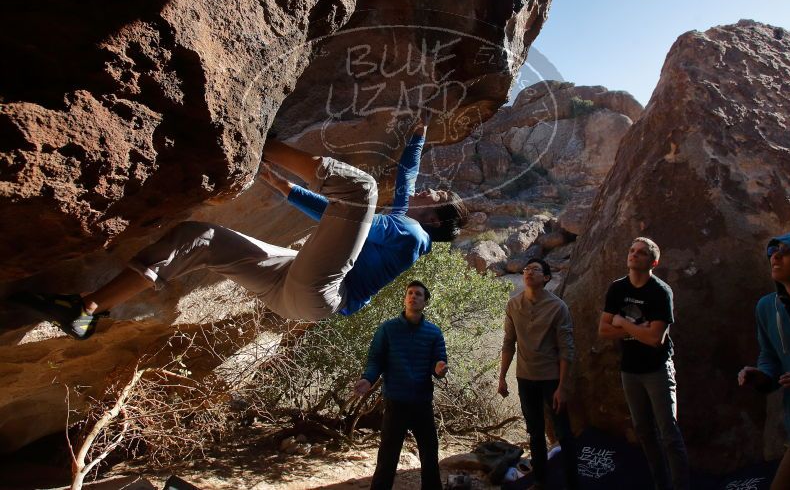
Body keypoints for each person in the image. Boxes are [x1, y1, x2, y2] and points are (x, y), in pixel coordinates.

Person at [12, 115, 468, 339]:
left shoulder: (411, 236)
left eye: (436, 196)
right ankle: (86, 309)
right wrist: (417, 137)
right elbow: (404, 182)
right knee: (198, 237)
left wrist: (267, 160)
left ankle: (263, 141)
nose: (429, 192)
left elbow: (352, 210)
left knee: (362, 188)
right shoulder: (407, 221)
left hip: (322, 294)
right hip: (297, 284)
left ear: (436, 215)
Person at [597, 237, 690, 490]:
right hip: (630, 369)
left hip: (657, 368)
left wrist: (623, 322)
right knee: (644, 432)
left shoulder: (660, 292)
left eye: (641, 253)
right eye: (631, 251)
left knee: (669, 434)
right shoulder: (617, 289)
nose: (634, 255)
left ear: (654, 261)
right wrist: (638, 328)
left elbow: (654, 339)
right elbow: (604, 330)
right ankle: (661, 485)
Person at [354, 280, 448, 490]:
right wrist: (368, 379)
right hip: (395, 401)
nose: (413, 296)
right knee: (388, 455)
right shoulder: (387, 329)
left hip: (422, 402)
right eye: (410, 293)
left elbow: (438, 362)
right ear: (405, 298)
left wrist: (440, 368)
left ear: (425, 302)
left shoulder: (434, 333)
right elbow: (375, 359)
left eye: (419, 294)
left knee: (430, 453)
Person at [498, 258, 580, 489]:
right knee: (534, 432)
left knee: (563, 432)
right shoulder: (513, 304)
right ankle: (541, 480)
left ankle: (572, 482)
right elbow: (508, 342)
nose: (528, 273)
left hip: (551, 378)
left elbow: (567, 348)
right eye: (526, 270)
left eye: (535, 270)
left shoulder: (557, 307)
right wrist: (502, 376)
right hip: (525, 377)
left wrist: (562, 387)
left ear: (546, 278)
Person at [738, 232, 790, 490]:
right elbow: (770, 357)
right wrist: (761, 375)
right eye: (771, 252)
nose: (774, 256)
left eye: (784, 250)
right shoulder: (766, 308)